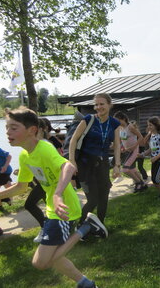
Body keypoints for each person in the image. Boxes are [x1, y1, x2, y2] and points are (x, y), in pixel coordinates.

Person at [0, 106, 107, 288]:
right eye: (7, 127)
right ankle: (85, 284)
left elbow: (68, 167)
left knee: (41, 262)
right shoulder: (24, 156)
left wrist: (57, 195)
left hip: (64, 210)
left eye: (14, 128)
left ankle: (86, 227)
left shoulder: (44, 148)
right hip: (52, 209)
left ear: (32, 130)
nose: (8, 132)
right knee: (53, 258)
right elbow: (21, 187)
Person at [69, 93, 121, 226]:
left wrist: (117, 165)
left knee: (104, 197)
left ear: (109, 105)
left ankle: (100, 226)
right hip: (86, 165)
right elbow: (73, 140)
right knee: (93, 200)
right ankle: (79, 226)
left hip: (102, 164)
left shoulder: (114, 123)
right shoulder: (88, 119)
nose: (98, 107)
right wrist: (72, 161)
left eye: (102, 104)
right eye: (96, 104)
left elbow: (117, 145)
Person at [113, 111, 146, 193]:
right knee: (133, 169)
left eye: (118, 120)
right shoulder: (121, 128)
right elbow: (123, 140)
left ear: (123, 119)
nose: (116, 122)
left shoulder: (130, 127)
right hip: (127, 151)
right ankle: (143, 185)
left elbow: (141, 137)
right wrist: (122, 147)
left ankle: (138, 183)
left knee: (125, 169)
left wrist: (135, 146)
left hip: (134, 150)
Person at [0, 144, 13, 213]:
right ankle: (9, 200)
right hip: (1, 172)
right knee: (8, 187)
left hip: (5, 171)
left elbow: (9, 156)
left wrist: (5, 166)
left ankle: (0, 206)